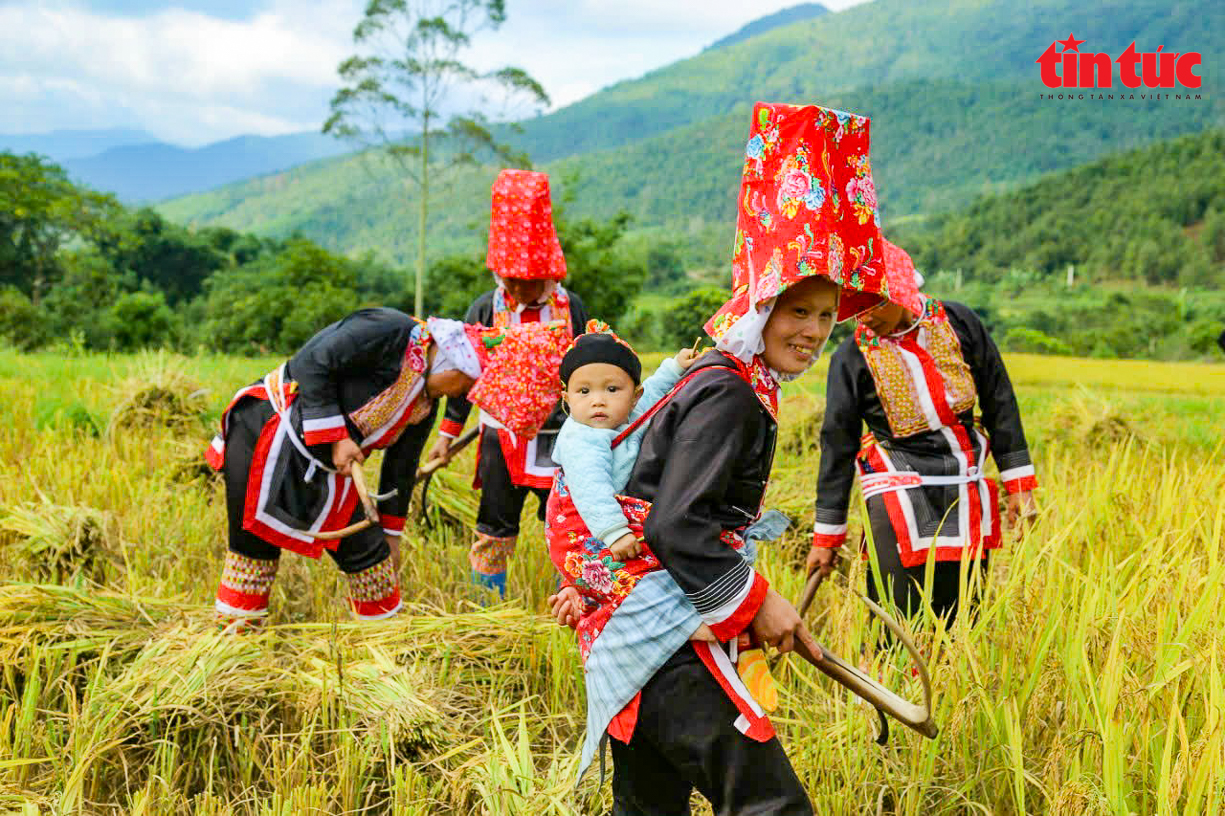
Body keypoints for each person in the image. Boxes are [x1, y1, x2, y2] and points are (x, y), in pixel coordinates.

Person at [561, 101, 892, 815]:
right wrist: (755, 599)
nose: (811, 331)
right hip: (668, 641)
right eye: (796, 310)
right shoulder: (730, 394)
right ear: (758, 306)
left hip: (641, 639)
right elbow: (676, 526)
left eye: (825, 315)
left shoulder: (728, 379)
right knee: (771, 806)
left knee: (648, 808)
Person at [806, 241, 1039, 625]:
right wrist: (827, 536)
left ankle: (950, 680)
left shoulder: (959, 323)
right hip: (895, 487)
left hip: (964, 483)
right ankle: (888, 676)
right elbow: (837, 445)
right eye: (855, 307)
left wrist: (1019, 487)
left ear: (901, 289)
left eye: (875, 303)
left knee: (962, 610)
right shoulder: (850, 359)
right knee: (897, 613)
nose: (866, 317)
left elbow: (1000, 401)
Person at [206, 308, 481, 631]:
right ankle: (235, 650)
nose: (461, 395)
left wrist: (392, 536)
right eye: (465, 385)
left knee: (373, 559)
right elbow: (313, 361)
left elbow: (401, 468)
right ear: (450, 359)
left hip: (324, 465)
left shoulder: (424, 403)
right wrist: (337, 437)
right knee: (253, 553)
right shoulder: (388, 329)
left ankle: (383, 650)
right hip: (265, 433)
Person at [426, 169, 588, 596]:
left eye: (529, 280)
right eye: (511, 279)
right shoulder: (485, 308)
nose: (518, 289)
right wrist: (447, 435)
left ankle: (573, 607)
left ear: (549, 271)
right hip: (502, 441)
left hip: (562, 438)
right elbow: (465, 376)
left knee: (568, 523)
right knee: (494, 527)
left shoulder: (570, 308)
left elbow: (594, 370)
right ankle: (488, 607)